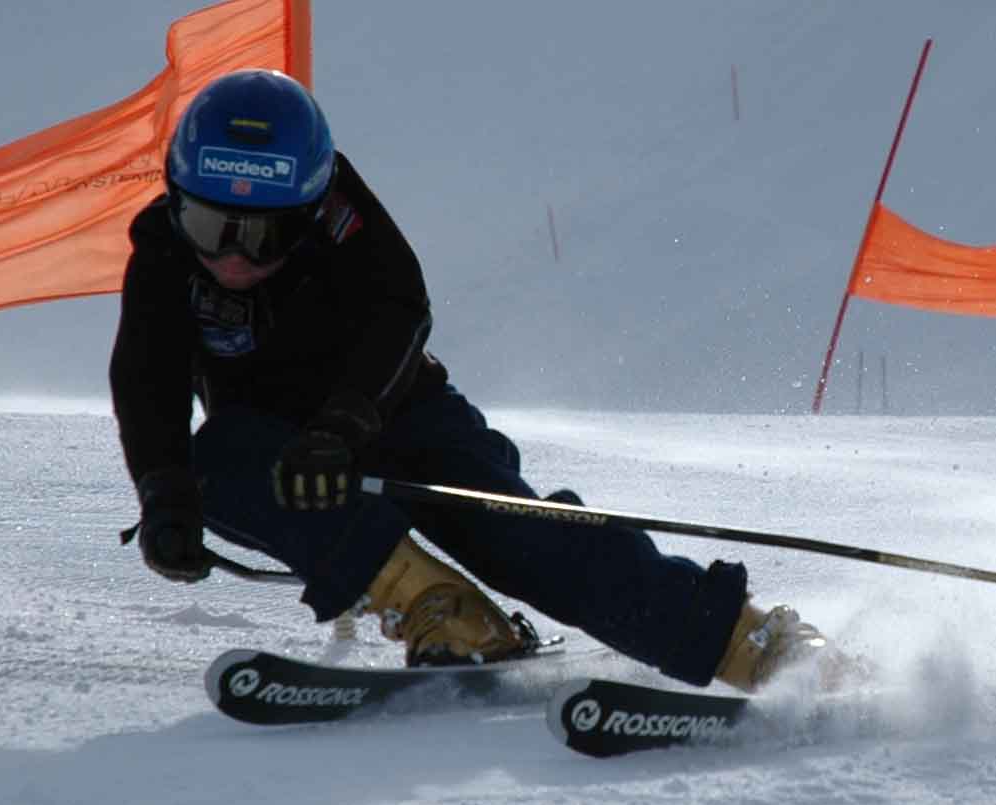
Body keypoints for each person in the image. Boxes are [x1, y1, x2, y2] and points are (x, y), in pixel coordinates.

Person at [109, 69, 831, 692]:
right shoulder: (164, 254)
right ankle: (448, 615)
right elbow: (147, 378)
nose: (231, 255)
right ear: (177, 201)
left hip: (396, 415)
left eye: (260, 235)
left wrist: (341, 427)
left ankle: (753, 645)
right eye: (209, 225)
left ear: (306, 213)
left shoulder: (345, 222)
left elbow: (402, 312)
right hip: (275, 447)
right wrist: (164, 497)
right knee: (215, 465)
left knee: (523, 543)